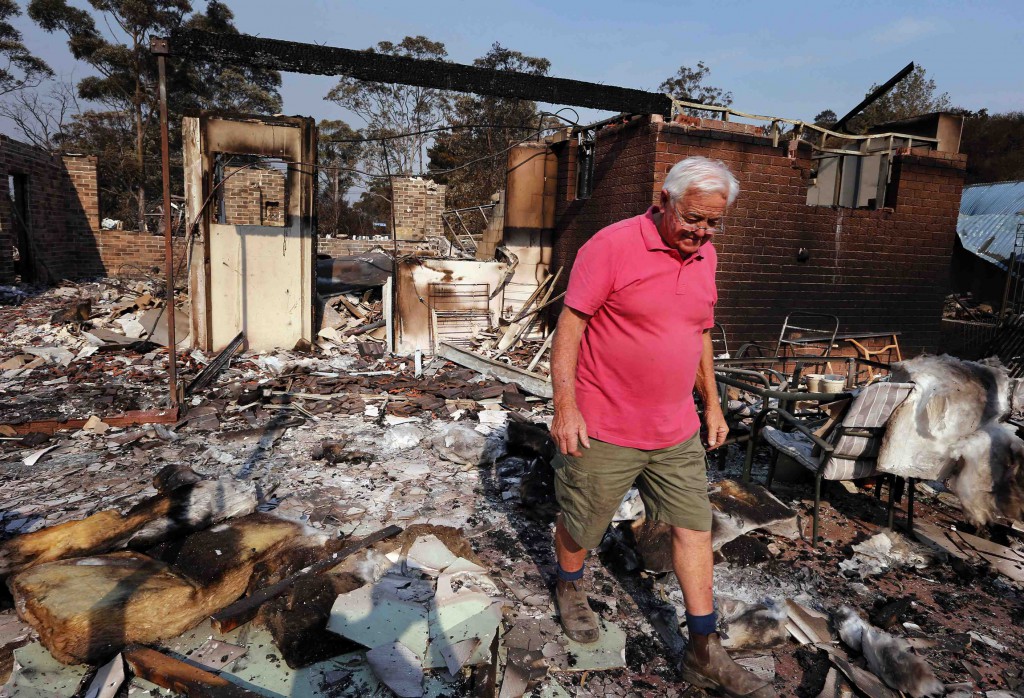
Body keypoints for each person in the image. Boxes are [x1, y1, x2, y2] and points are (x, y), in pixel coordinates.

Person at [549, 156, 775, 697]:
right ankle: (570, 584)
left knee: (693, 528)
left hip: (675, 427)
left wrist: (713, 404)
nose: (701, 232)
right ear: (664, 202)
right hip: (604, 421)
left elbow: (698, 332)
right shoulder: (610, 246)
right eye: (693, 218)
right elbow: (569, 327)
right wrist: (565, 406)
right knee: (583, 522)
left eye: (713, 223)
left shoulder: (705, 255)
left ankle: (703, 649)